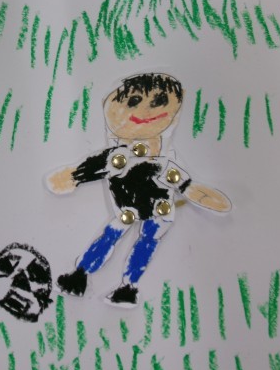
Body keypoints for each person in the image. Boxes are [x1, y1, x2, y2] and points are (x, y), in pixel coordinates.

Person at [46, 73, 231, 307]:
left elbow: (185, 185)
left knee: (145, 242)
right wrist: (73, 176)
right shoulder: (118, 157)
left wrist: (203, 196)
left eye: (160, 100)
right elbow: (89, 168)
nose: (147, 109)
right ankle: (81, 274)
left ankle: (127, 287)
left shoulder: (164, 163)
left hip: (158, 212)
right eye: (134, 101)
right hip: (128, 210)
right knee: (112, 236)